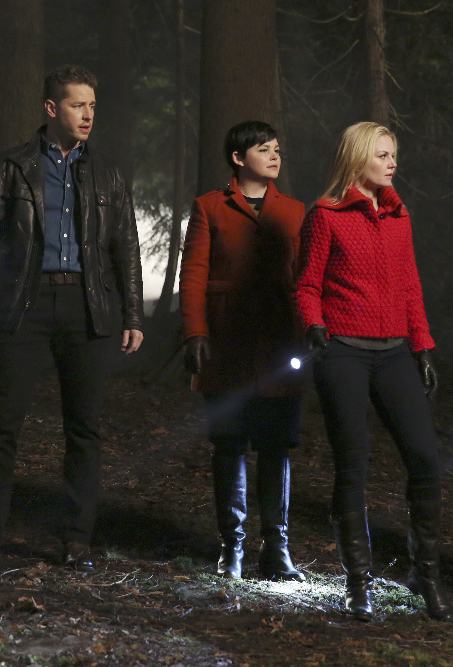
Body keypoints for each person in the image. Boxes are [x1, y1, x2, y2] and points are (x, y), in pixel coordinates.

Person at [0, 65, 144, 573]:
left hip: (87, 306)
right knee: (2, 425)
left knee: (84, 429)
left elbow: (125, 246)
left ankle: (76, 541)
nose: (87, 115)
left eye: (92, 105)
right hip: (25, 303)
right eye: (77, 105)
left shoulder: (108, 173)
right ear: (50, 108)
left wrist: (133, 314)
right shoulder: (12, 166)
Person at [295, 121, 452, 621]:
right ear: (357, 157)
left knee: (425, 459)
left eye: (393, 154)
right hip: (342, 350)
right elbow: (307, 285)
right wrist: (315, 326)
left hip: (394, 352)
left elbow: (410, 286)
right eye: (382, 154)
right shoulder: (326, 215)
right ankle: (357, 582)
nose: (392, 162)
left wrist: (422, 347)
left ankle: (425, 574)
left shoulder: (400, 217)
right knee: (354, 464)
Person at [179, 121, 306, 582]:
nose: (274, 156)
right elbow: (193, 274)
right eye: (264, 149)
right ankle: (231, 547)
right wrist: (195, 332)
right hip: (227, 340)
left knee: (277, 445)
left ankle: (276, 548)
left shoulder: (294, 211)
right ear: (238, 157)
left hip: (279, 343)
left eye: (277, 149)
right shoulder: (210, 206)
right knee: (229, 442)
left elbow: (304, 276)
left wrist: (310, 331)